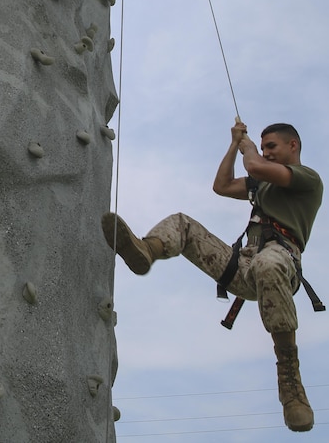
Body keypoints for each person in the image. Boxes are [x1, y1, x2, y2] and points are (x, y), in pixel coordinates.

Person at [102, 121, 323, 433]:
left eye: (271, 146)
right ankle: (147, 251)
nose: (265, 152)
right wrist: (234, 145)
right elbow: (221, 186)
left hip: (281, 262)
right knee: (183, 223)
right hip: (245, 265)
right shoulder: (261, 183)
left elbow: (257, 168)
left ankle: (290, 377)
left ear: (293, 146)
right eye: (262, 147)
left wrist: (248, 151)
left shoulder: (307, 179)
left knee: (269, 263)